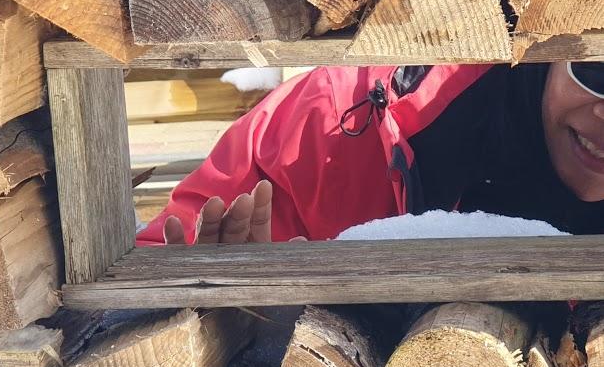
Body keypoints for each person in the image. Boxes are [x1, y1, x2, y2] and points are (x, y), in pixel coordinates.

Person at [135, 61, 604, 246]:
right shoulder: (327, 126)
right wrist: (243, 327)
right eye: (598, 69)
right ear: (547, 45)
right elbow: (160, 261)